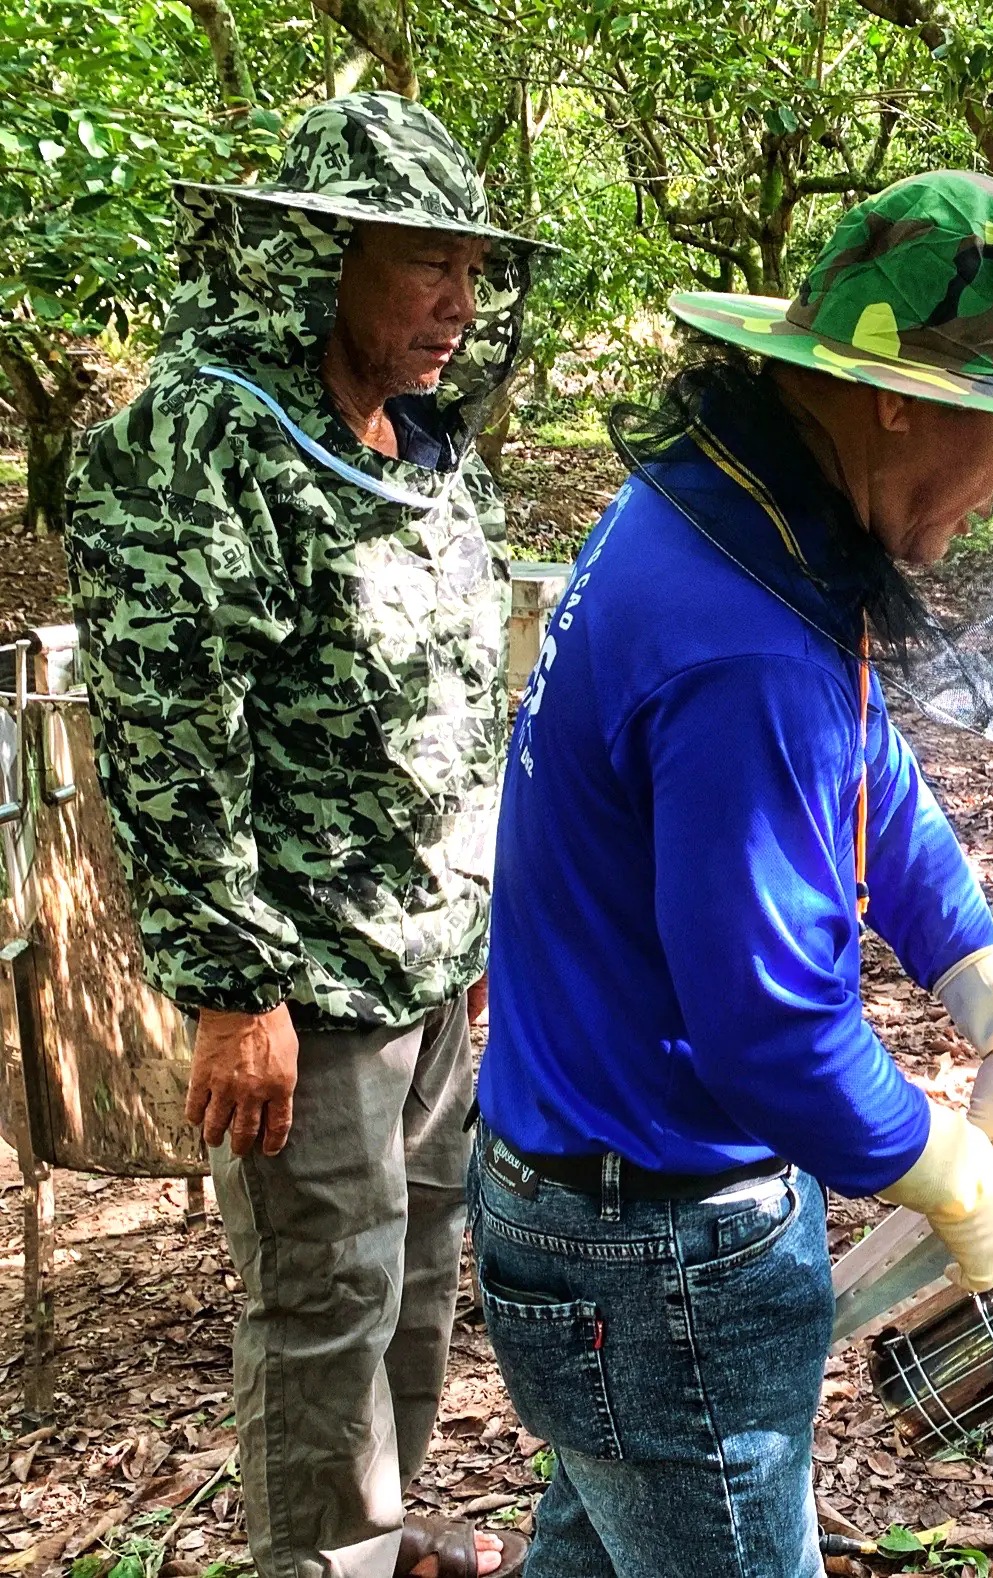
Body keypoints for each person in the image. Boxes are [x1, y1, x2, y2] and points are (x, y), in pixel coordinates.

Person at [469, 170, 993, 1578]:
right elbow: (771, 1031)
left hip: (597, 1213)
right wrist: (950, 1175)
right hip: (657, 1247)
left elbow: (868, 772)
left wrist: (991, 991)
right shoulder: (743, 642)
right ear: (894, 399)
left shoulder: (728, 511)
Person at [66, 93, 554, 1578]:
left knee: (413, 1284)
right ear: (321, 259)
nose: (458, 303)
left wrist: (474, 921)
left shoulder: (419, 440)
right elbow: (165, 717)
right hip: (299, 989)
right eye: (423, 263)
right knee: (324, 1298)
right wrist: (231, 982)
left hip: (424, 958)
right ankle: (314, 1563)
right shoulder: (204, 434)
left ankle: (381, 1544)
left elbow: (460, 695)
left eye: (473, 269)